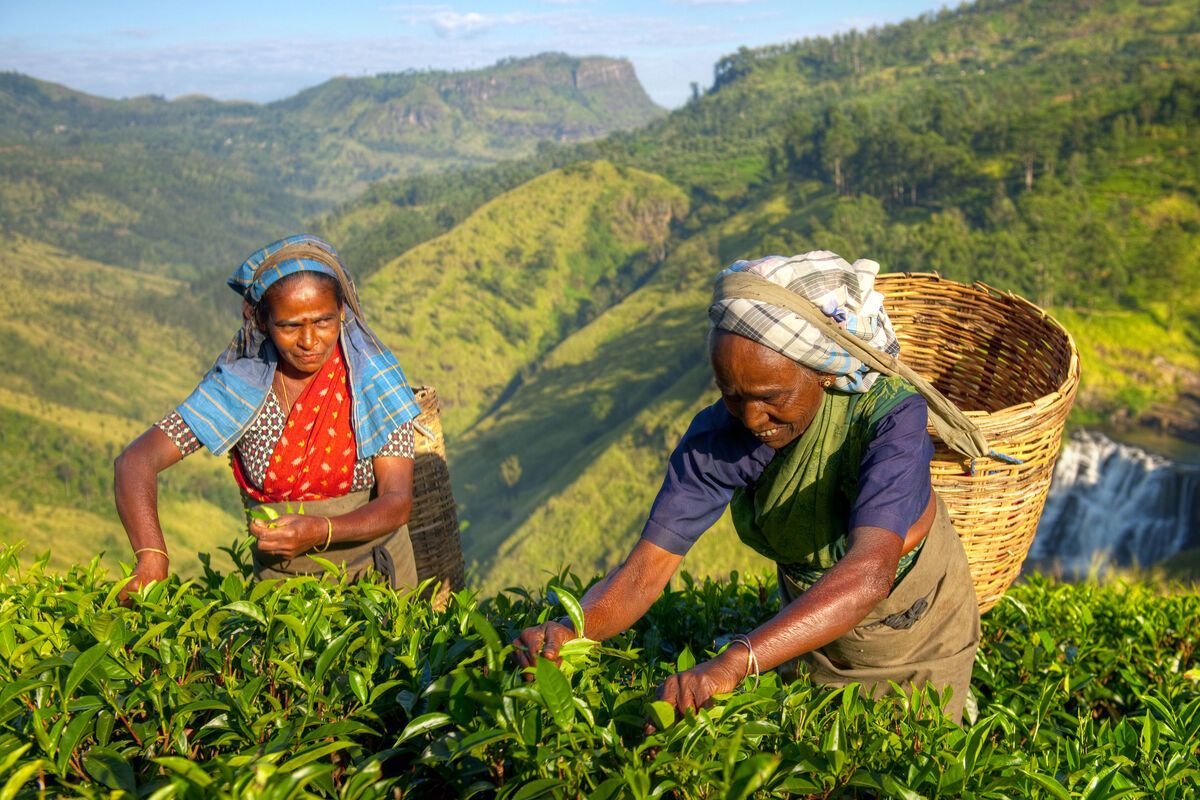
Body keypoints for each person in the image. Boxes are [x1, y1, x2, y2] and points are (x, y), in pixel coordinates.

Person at [514, 252, 982, 724]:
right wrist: (571, 630)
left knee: (919, 745)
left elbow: (869, 572)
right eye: (732, 395)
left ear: (822, 369)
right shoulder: (720, 436)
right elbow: (644, 572)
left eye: (771, 398)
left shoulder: (890, 419)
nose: (753, 418)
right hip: (811, 619)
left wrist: (735, 661)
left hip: (917, 621)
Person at [114, 234, 423, 598]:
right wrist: (152, 556)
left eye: (323, 322)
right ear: (262, 321)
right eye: (290, 326)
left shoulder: (373, 381)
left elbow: (397, 502)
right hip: (282, 595)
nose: (309, 341)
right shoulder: (242, 388)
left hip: (379, 581)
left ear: (342, 311)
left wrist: (321, 530)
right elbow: (135, 461)